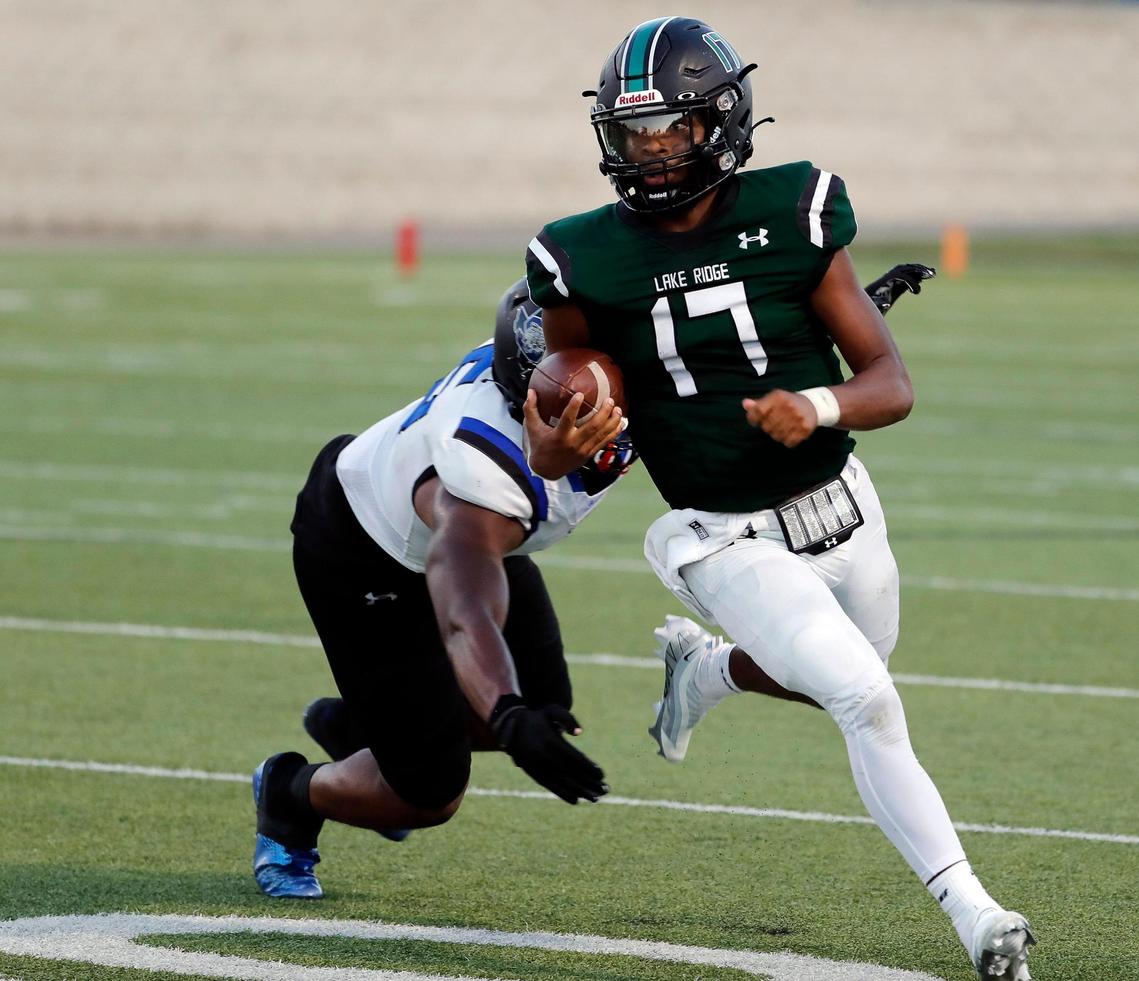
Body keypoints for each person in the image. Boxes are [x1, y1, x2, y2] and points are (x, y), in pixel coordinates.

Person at [521, 16, 1033, 981]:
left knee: (844, 667)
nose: (655, 151)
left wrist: (817, 401)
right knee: (865, 697)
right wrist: (562, 433)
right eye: (636, 134)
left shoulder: (796, 206)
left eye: (673, 128)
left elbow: (890, 380)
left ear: (722, 121)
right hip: (720, 535)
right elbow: (554, 431)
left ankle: (706, 674)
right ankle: (977, 914)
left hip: (842, 505)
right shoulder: (580, 254)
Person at [251, 280, 627, 900]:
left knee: (545, 704)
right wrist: (504, 712)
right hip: (364, 550)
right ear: (528, 396)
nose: (595, 410)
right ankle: (290, 792)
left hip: (472, 542)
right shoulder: (481, 466)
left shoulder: (613, 373)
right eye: (568, 394)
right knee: (428, 792)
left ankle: (363, 726)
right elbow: (466, 610)